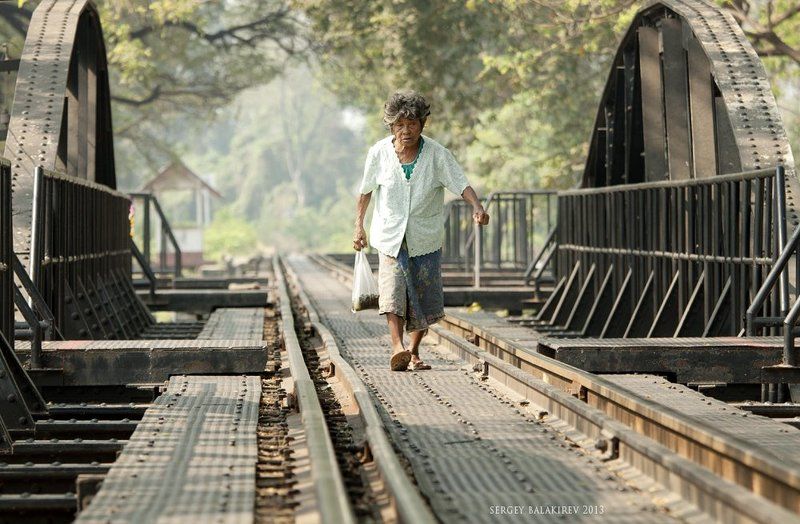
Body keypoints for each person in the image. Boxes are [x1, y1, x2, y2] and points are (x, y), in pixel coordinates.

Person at [353, 90, 489, 372]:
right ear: (391, 127)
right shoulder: (379, 153)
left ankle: (413, 351)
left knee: (423, 300)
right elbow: (365, 191)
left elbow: (460, 184)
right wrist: (359, 227)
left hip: (424, 238)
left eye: (412, 123)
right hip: (390, 236)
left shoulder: (439, 155)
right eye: (400, 125)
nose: (406, 130)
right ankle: (396, 347)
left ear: (423, 124)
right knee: (391, 292)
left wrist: (477, 206)